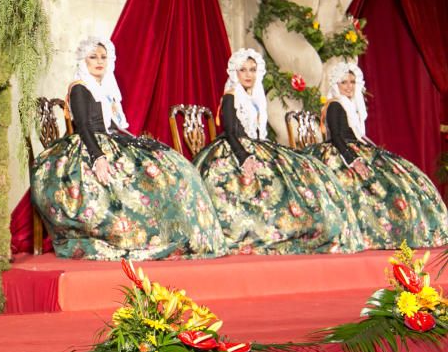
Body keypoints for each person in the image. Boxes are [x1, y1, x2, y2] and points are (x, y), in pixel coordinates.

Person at [31, 37, 227, 260]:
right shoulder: (79, 88)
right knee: (127, 180)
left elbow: (112, 126)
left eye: (103, 57)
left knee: (171, 164)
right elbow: (84, 126)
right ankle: (131, 236)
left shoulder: (105, 89)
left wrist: (136, 142)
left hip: (110, 141)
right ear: (82, 60)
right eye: (93, 57)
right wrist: (98, 157)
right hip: (89, 147)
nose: (99, 62)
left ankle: (172, 234)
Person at [192, 49, 364, 255]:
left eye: (253, 70)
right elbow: (230, 132)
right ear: (235, 73)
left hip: (255, 145)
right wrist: (244, 157)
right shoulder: (230, 97)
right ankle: (253, 233)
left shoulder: (254, 98)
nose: (248, 74)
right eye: (243, 70)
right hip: (235, 150)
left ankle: (292, 229)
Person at [304, 62, 448, 249]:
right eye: (344, 82)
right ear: (336, 85)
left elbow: (357, 135)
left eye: (352, 82)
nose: (348, 86)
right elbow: (337, 137)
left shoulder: (351, 105)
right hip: (342, 152)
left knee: (397, 177)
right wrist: (352, 159)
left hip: (356, 148)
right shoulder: (335, 105)